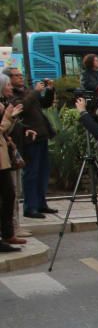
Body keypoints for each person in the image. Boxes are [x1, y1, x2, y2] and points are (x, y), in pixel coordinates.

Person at [3, 67, 55, 220]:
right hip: (28, 139)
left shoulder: (27, 91)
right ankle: (30, 207)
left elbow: (44, 104)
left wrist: (50, 90)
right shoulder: (12, 95)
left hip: (41, 135)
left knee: (43, 172)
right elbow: (22, 108)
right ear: (9, 79)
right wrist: (35, 92)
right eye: (16, 75)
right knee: (31, 173)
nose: (20, 77)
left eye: (21, 75)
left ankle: (41, 203)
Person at [0, 73, 24, 252]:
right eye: (7, 85)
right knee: (7, 194)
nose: (10, 88)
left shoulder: (3, 105)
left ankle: (8, 234)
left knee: (9, 194)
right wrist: (8, 117)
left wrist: (11, 117)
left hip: (4, 157)